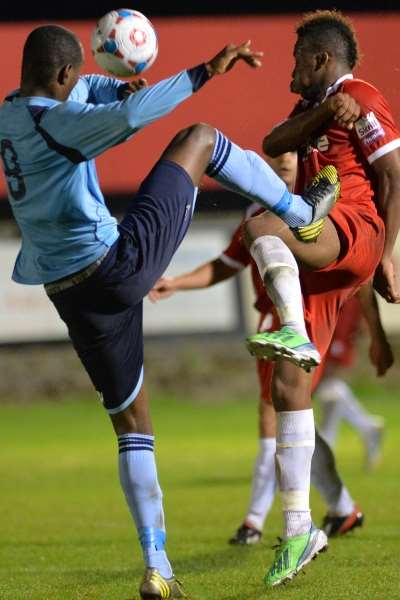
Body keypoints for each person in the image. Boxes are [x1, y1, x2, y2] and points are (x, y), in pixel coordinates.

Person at [0, 24, 339, 600]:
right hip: (117, 265)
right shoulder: (60, 124)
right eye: (75, 75)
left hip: (69, 292)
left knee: (132, 428)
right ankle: (299, 207)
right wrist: (204, 71)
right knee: (201, 137)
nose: (80, 81)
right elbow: (131, 121)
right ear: (61, 75)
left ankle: (158, 566)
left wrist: (115, 85)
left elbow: (92, 93)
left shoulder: (13, 111)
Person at [149, 151, 393, 545]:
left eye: (291, 154)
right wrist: (176, 282)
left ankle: (254, 522)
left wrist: (376, 335)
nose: (282, 160)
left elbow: (360, 274)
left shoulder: (320, 209)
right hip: (275, 326)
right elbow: (228, 263)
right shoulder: (257, 213)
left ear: (306, 161)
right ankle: (343, 507)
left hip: (302, 326)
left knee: (273, 420)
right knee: (296, 424)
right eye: (274, 154)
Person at [239, 9, 400, 586]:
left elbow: (394, 174)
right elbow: (271, 141)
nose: (290, 66)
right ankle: (302, 526)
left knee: (262, 227)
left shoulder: (361, 94)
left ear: (320, 60)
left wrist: (385, 252)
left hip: (355, 223)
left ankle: (317, 209)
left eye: (296, 57)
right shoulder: (315, 109)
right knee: (289, 383)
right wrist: (322, 116)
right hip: (326, 257)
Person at [316, 288, 393, 470]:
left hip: (337, 326)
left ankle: (328, 449)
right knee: (329, 390)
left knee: (328, 385)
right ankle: (366, 428)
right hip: (332, 324)